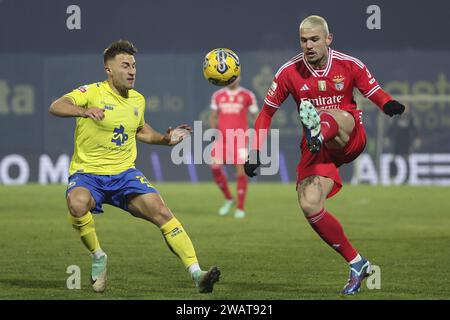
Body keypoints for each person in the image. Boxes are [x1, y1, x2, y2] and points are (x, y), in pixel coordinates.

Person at [244, 16, 404, 295]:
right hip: (317, 149)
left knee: (333, 115)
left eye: (314, 39)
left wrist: (387, 103)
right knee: (309, 204)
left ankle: (317, 129)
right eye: (304, 40)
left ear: (328, 39)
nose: (308, 45)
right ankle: (357, 262)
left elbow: (373, 90)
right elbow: (266, 113)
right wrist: (256, 149)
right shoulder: (288, 72)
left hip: (347, 135)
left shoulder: (349, 65)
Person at [48, 40, 220, 294]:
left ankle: (197, 274)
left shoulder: (137, 100)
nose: (132, 71)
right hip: (88, 175)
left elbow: (140, 130)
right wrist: (82, 112)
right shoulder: (91, 92)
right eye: (125, 65)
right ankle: (98, 256)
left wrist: (165, 139)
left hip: (124, 175)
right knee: (76, 204)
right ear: (109, 70)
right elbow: (56, 106)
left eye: (134, 66)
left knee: (161, 211)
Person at [209, 76, 259, 218]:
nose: (232, 79)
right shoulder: (218, 95)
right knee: (215, 167)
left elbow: (256, 116)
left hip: (240, 140)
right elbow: (213, 116)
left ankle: (240, 207)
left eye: (235, 76)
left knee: (241, 172)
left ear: (240, 77)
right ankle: (229, 199)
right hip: (222, 140)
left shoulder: (247, 95)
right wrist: (214, 131)